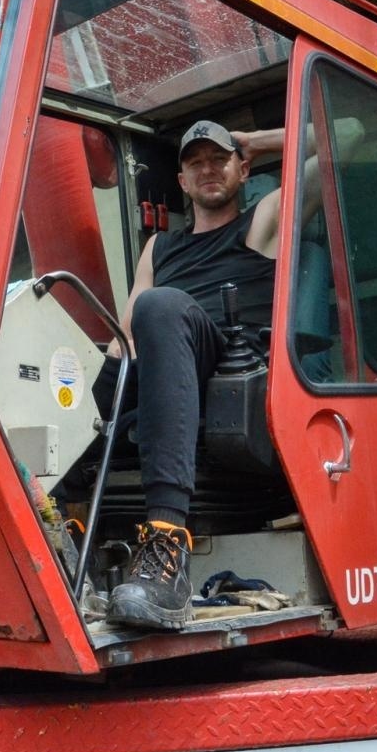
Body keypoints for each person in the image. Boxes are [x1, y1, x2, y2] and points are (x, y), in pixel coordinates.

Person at [101, 119, 287, 629]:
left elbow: (350, 132)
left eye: (220, 158)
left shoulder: (261, 222)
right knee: (68, 370)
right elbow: (126, 337)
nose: (208, 169)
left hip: (225, 360)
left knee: (161, 307)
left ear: (243, 169)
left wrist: (258, 139)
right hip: (161, 360)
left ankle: (166, 543)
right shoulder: (159, 248)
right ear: (181, 180)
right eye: (195, 162)